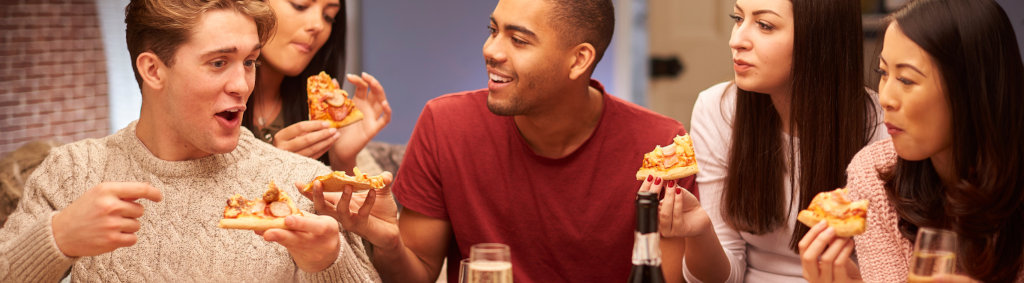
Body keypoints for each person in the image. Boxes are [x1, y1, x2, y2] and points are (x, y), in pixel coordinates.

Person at [302, 0, 697, 281]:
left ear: (578, 60)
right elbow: (418, 272)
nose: (491, 50)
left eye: (519, 40)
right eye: (493, 30)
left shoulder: (660, 146)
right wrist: (388, 241)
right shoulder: (446, 123)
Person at [0, 0, 379, 281]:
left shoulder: (301, 183)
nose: (241, 85)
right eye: (219, 63)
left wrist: (329, 262)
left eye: (249, 62)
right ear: (153, 70)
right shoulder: (71, 172)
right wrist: (56, 239)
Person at [638, 0, 888, 282]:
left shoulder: (885, 126)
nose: (736, 40)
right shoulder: (717, 109)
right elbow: (725, 276)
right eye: (737, 18)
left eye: (764, 25)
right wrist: (700, 231)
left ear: (819, 38)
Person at [799, 0, 1024, 282]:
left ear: (972, 88)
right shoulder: (874, 177)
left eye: (906, 80)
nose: (886, 99)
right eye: (883, 73)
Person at [243, 0, 391, 172]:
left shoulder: (324, 112)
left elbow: (381, 198)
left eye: (328, 17)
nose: (318, 25)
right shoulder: (213, 108)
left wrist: (343, 161)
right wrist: (271, 170)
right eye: (300, 5)